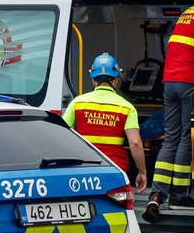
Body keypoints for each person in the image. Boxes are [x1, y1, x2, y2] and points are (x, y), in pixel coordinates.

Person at [143, 4, 194, 224]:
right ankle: (179, 195)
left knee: (171, 138)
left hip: (169, 82)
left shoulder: (189, 13)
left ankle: (156, 193)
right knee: (187, 138)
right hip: (189, 81)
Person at [62, 52, 148, 194]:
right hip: (115, 169)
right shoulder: (127, 107)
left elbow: (62, 134)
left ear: (93, 80)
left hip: (83, 169)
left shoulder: (77, 103)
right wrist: (142, 172)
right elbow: (135, 143)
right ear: (116, 81)